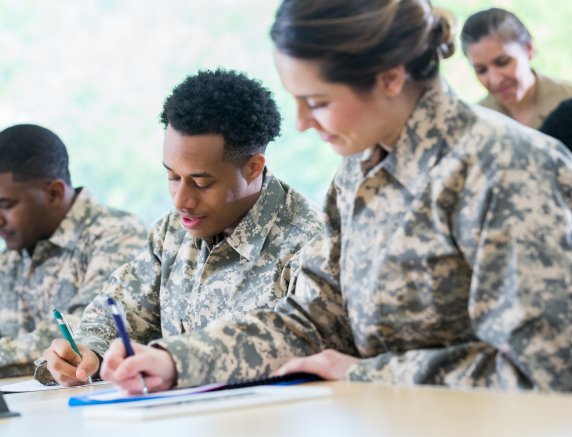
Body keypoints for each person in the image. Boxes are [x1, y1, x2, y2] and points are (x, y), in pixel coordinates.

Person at [99, 0, 572, 395]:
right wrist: (173, 360)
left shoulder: (505, 167)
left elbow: (548, 372)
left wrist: (367, 373)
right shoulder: (357, 172)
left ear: (389, 77)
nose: (302, 122)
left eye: (318, 101)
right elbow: (312, 319)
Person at [40, 69, 323, 387]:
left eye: (202, 182)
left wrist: (175, 362)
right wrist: (87, 351)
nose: (181, 200)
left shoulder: (312, 243)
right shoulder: (171, 233)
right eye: (173, 177)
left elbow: (302, 344)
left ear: (253, 168)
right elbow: (123, 308)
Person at [0, 124, 148, 378]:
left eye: (6, 205)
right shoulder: (12, 255)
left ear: (55, 193)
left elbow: (86, 334)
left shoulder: (118, 236)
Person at [461, 8, 572, 130]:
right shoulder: (472, 122)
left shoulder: (568, 98)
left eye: (503, 62)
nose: (495, 80)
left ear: (529, 48)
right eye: (481, 70)